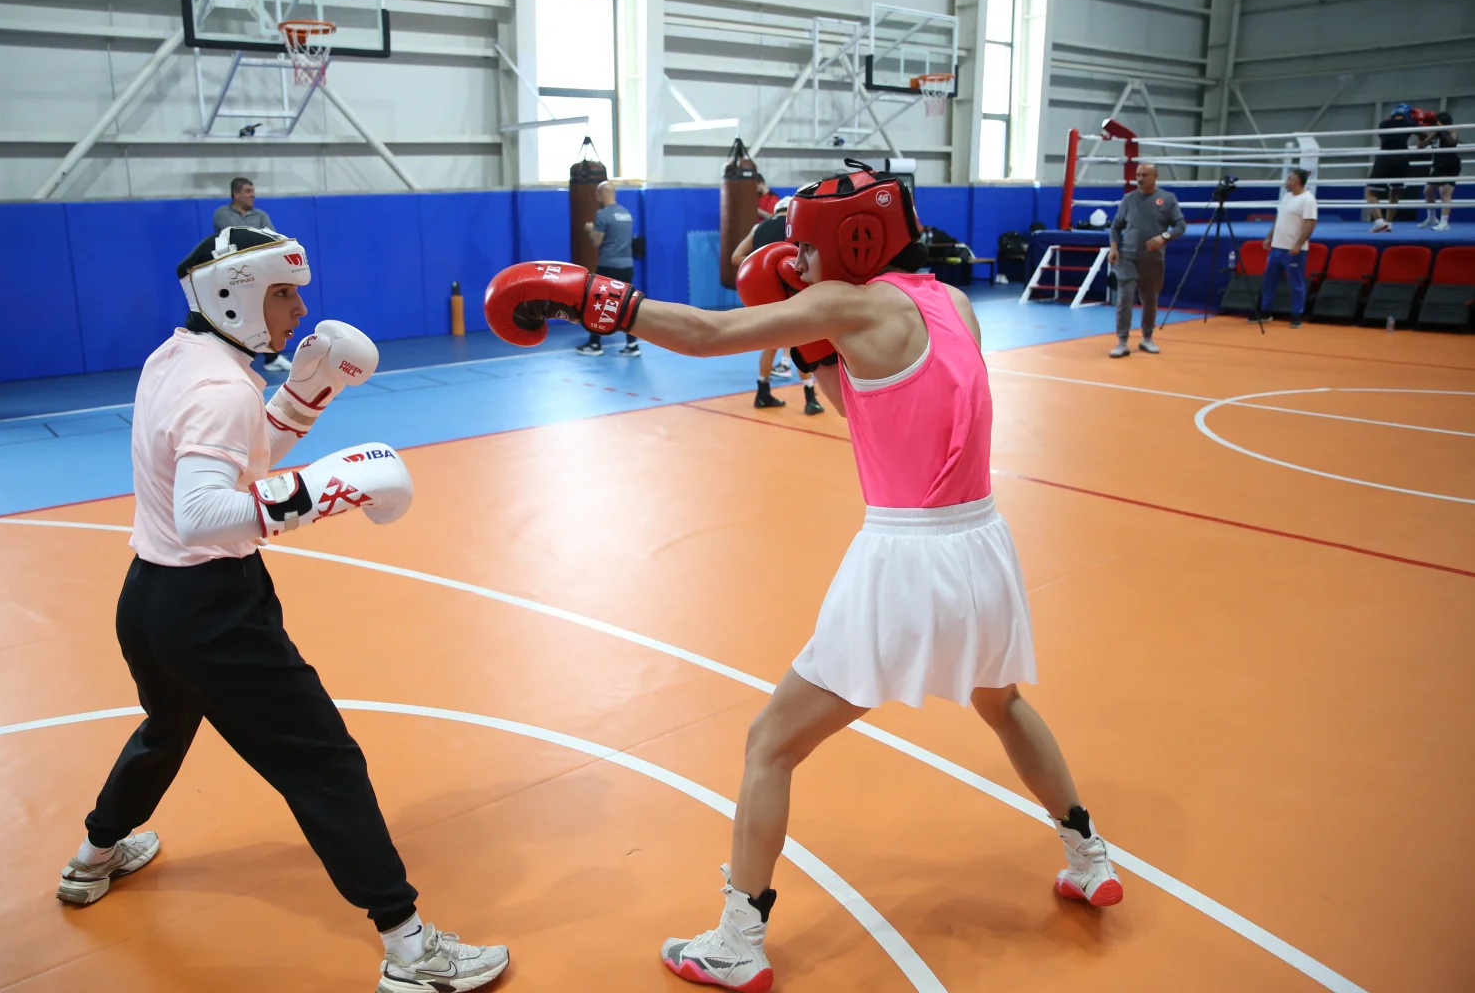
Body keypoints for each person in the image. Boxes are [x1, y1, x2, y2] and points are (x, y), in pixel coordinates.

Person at [482, 160, 1122, 993]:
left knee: (770, 745)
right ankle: (1088, 855)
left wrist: (592, 295)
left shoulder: (842, 301)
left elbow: (709, 335)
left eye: (807, 246)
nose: (799, 259)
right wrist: (815, 349)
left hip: (909, 557)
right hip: (983, 546)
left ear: (849, 244)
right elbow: (871, 402)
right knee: (1001, 703)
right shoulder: (951, 303)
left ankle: (738, 942)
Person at [57, 225, 509, 993]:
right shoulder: (219, 385)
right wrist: (328, 487)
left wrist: (300, 400)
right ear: (235, 296)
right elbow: (206, 511)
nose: (300, 309)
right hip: (212, 609)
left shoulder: (180, 356)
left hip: (150, 597)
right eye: (284, 294)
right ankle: (412, 952)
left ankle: (92, 858)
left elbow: (235, 456)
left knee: (167, 727)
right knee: (324, 762)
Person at [730, 195, 823, 415]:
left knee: (770, 341)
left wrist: (759, 266)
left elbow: (736, 257)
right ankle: (810, 397)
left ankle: (762, 392)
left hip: (764, 294)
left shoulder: (758, 229)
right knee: (801, 341)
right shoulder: (797, 227)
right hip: (792, 291)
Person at [1107, 163, 1185, 358]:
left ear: (1155, 176)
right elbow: (1116, 226)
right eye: (1138, 175)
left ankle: (1147, 338)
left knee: (1150, 300)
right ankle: (1122, 341)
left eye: (1145, 175)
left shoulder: (1167, 199)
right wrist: (1114, 248)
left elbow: (1180, 225)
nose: (1140, 178)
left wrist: (1163, 238)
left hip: (1152, 259)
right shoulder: (1129, 199)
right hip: (1127, 257)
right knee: (1124, 297)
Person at [214, 178, 290, 372]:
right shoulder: (222, 214)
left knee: (266, 314)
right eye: (248, 191)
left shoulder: (261, 215)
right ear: (236, 194)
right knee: (235, 316)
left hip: (261, 274)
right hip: (233, 275)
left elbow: (272, 240)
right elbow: (234, 238)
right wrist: (255, 240)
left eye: (253, 191)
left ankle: (272, 358)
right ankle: (234, 358)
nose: (252, 195)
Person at [576, 181, 641, 357]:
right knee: (626, 304)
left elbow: (597, 242)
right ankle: (633, 344)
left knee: (596, 303)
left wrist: (590, 229)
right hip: (627, 266)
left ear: (601, 194)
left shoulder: (602, 214)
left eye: (597, 195)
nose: (596, 198)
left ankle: (595, 344)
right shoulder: (626, 214)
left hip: (609, 266)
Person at [1255, 168, 1318, 328]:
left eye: (1289, 178)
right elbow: (1280, 219)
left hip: (1293, 249)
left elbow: (1310, 223)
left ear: (1296, 182)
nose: (1286, 181)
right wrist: (1269, 236)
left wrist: (1298, 244)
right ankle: (1265, 311)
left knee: (1295, 282)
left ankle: (1297, 314)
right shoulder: (1287, 197)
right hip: (1277, 247)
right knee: (1269, 280)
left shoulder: (1308, 200)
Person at [1366, 104, 1416, 233]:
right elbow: (1424, 138)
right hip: (1403, 159)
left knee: (1370, 192)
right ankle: (1388, 223)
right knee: (1395, 193)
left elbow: (1383, 140)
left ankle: (1379, 222)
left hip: (1386, 157)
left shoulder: (1384, 123)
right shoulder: (1411, 123)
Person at [1418, 112, 1459, 231]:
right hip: (1438, 165)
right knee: (1427, 191)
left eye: (1437, 121)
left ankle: (1444, 222)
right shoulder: (1434, 132)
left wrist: (1442, 130)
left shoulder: (1450, 130)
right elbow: (1420, 146)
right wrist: (1426, 134)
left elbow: (1453, 141)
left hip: (1450, 164)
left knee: (1445, 194)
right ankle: (1431, 218)